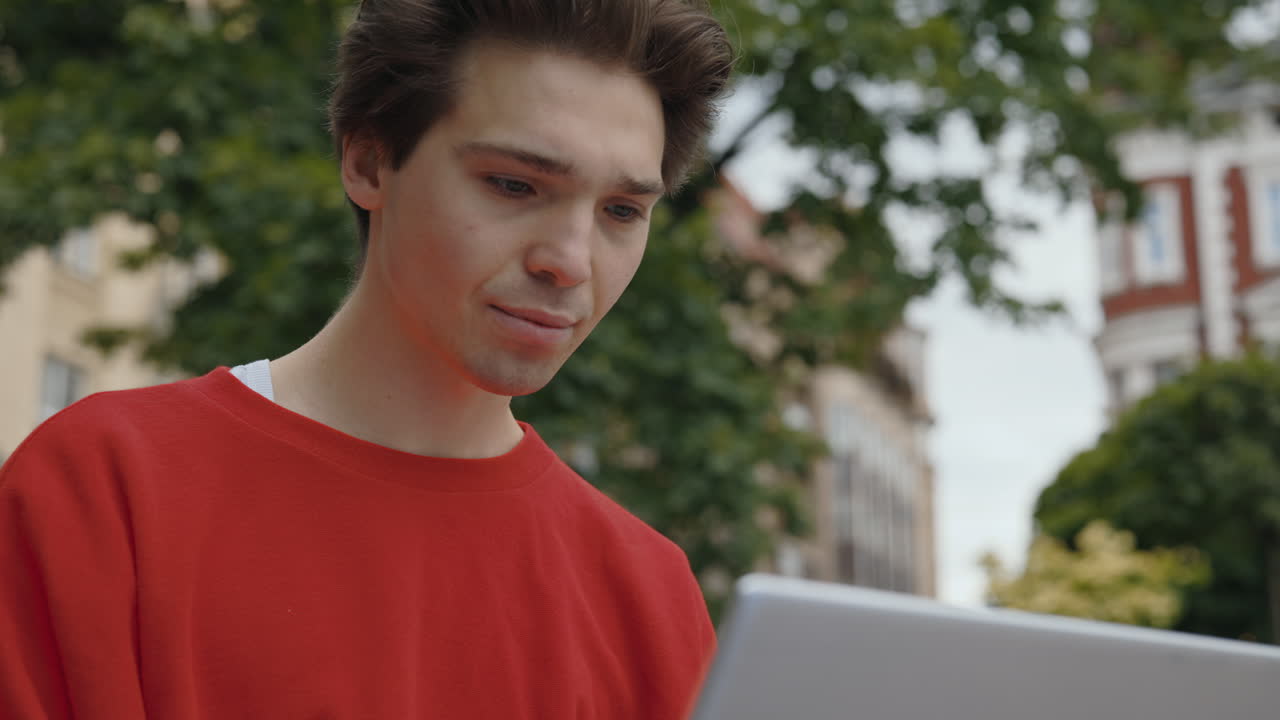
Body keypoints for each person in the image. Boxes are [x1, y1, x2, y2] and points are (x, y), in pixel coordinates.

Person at [0, 1, 734, 717]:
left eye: (621, 211)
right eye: (515, 185)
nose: (570, 262)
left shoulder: (651, 599)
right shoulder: (105, 490)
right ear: (369, 162)